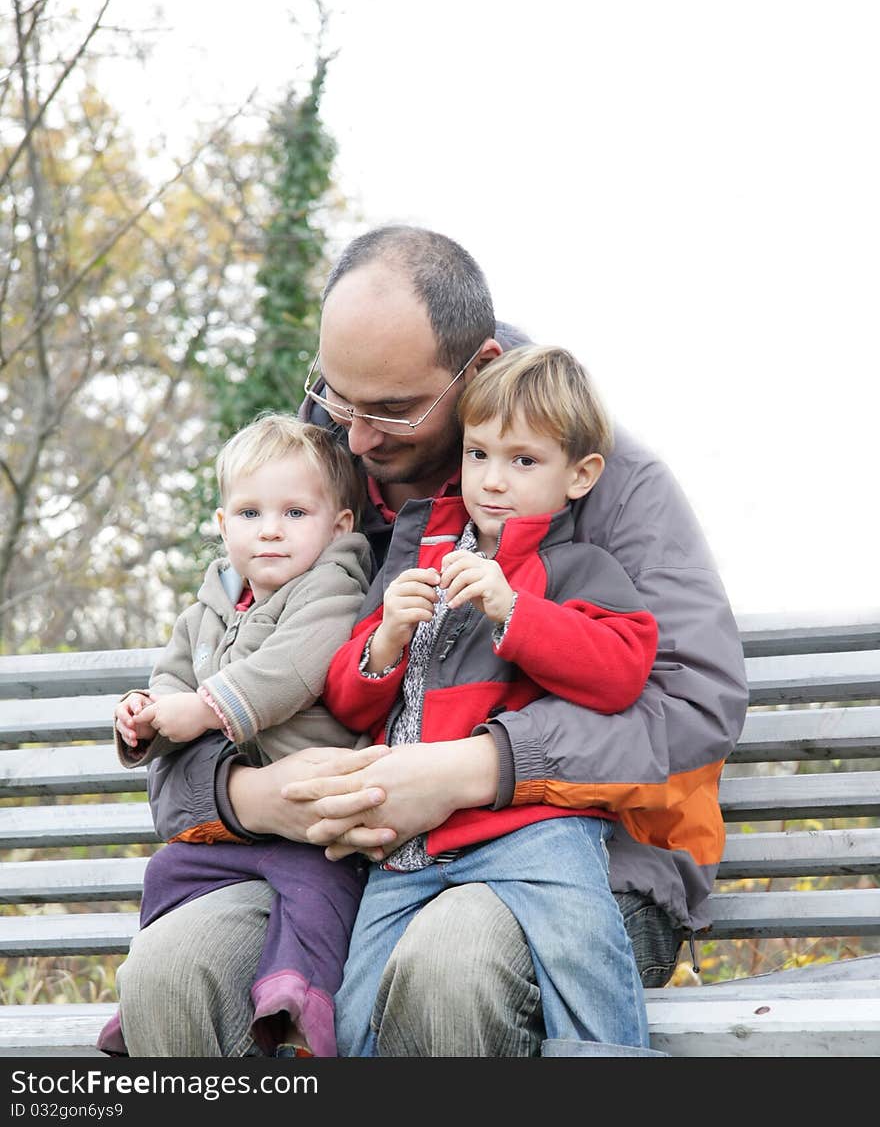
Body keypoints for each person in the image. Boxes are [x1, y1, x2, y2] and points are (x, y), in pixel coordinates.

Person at [111, 225, 749, 1058]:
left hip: (585, 857)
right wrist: (255, 797)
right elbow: (213, 682)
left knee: (448, 965)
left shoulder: (606, 483)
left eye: (394, 410)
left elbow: (695, 707)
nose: (360, 439)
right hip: (341, 861)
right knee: (172, 973)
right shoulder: (306, 479)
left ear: (478, 365)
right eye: (338, 397)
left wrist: (473, 769)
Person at [322, 344, 661, 1055]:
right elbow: (349, 700)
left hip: (534, 830)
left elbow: (622, 669)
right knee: (356, 1009)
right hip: (408, 846)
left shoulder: (578, 566)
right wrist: (384, 640)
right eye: (478, 454)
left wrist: (516, 613)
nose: (494, 480)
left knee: (583, 960)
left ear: (580, 475)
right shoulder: (419, 554)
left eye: (523, 460)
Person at [98, 413, 374, 1058]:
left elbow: (292, 669)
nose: (271, 529)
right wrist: (147, 716)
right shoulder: (206, 610)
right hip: (238, 826)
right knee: (169, 869)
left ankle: (298, 997)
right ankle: (138, 1005)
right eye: (249, 513)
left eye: (295, 513)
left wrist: (204, 708)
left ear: (339, 526)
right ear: (223, 526)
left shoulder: (331, 587)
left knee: (316, 890)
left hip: (314, 818)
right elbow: (170, 680)